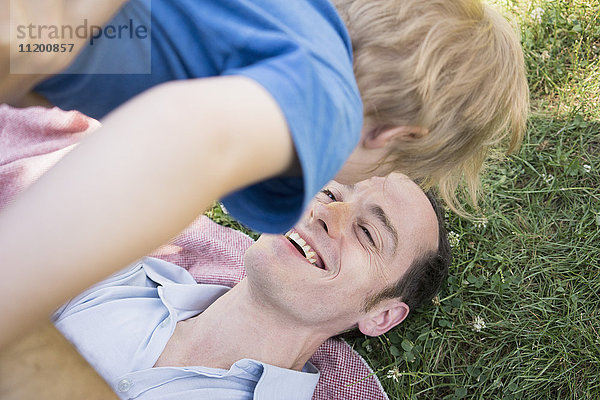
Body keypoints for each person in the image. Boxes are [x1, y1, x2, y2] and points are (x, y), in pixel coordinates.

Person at [0, 0, 525, 347]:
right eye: (333, 183)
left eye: (367, 230)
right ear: (396, 136)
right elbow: (185, 131)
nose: (326, 205)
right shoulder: (331, 106)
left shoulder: (286, 16)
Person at [0, 173, 450, 399]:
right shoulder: (126, 273)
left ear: (381, 315)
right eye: (331, 194)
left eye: (368, 234)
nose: (326, 214)